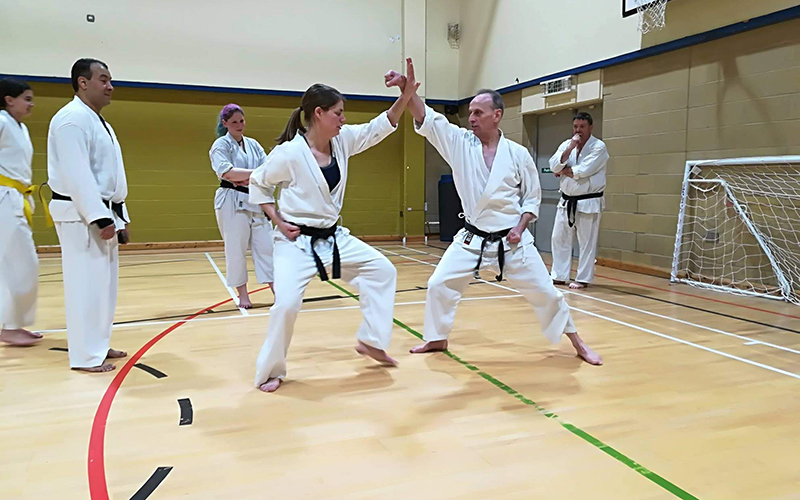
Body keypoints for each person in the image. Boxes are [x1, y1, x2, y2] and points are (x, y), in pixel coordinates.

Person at [389, 70, 602, 365]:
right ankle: (436, 338)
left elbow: (531, 198)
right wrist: (407, 90)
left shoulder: (517, 154)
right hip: (472, 238)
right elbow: (428, 117)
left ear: (497, 115)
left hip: (512, 241)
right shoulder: (460, 142)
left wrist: (520, 226)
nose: (472, 117)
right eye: (470, 112)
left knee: (547, 293)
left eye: (479, 112)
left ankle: (578, 343)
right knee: (439, 283)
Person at [248, 58, 420, 392]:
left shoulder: (342, 142)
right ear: (318, 114)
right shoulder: (289, 153)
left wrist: (405, 95)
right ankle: (270, 370)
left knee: (382, 271)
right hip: (295, 242)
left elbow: (380, 125)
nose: (343, 119)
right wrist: (278, 221)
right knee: (285, 305)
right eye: (338, 113)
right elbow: (258, 183)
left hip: (333, 237)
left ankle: (371, 340)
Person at [47, 58, 129, 372]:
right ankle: (83, 356)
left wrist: (121, 218)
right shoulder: (71, 120)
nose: (110, 86)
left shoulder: (97, 121)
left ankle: (98, 344)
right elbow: (77, 174)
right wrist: (98, 217)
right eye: (103, 79)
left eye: (110, 80)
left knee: (103, 288)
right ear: (83, 82)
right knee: (84, 287)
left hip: (103, 211)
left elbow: (111, 177)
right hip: (80, 216)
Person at [210, 104, 274, 307]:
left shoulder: (254, 144)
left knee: (267, 247)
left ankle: (277, 291)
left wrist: (245, 176)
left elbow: (268, 170)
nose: (239, 125)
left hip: (256, 198)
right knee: (236, 249)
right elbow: (227, 173)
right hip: (230, 200)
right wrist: (253, 175)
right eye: (235, 122)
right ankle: (243, 295)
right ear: (225, 123)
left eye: (242, 121)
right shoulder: (221, 145)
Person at [0, 77, 41, 346]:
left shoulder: (20, 127)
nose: (31, 104)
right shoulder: (2, 121)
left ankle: (12, 324)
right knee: (17, 264)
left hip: (17, 198)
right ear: (8, 99)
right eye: (27, 98)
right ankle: (8, 326)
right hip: (4, 198)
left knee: (18, 264)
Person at [549, 112, 608, 289]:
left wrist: (563, 170)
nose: (578, 130)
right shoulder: (567, 144)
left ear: (590, 127)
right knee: (558, 238)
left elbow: (582, 171)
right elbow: (553, 165)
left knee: (587, 242)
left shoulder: (599, 147)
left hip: (589, 201)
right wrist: (569, 149)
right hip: (566, 200)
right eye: (576, 127)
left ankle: (583, 278)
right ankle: (559, 275)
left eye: (582, 127)